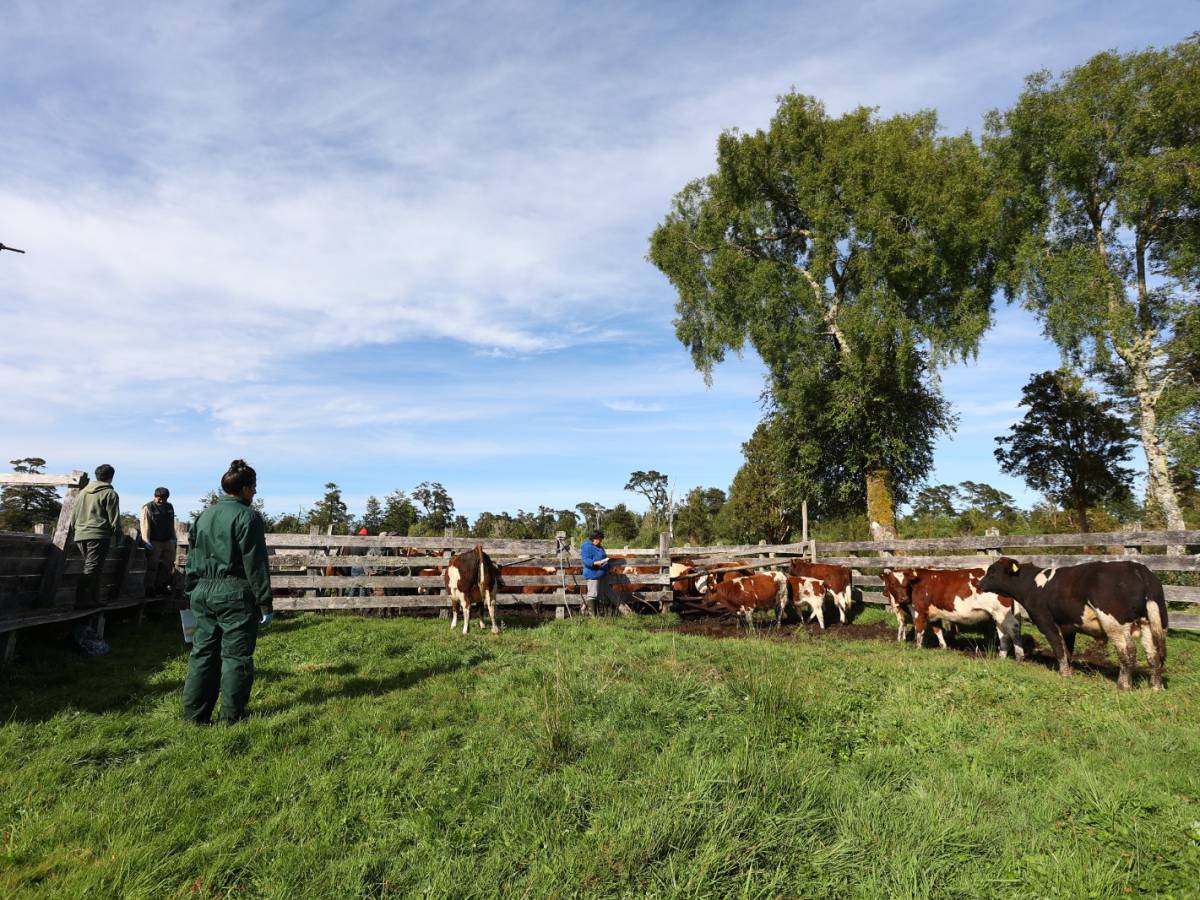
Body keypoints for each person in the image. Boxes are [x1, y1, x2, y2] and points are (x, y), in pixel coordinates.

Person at [182, 460, 273, 725]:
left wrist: (191, 589)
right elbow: (255, 564)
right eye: (253, 487)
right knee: (236, 656)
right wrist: (265, 603)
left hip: (202, 591)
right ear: (244, 488)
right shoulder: (248, 517)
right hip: (234, 591)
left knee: (203, 653)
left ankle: (194, 717)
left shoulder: (203, 516)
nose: (255, 492)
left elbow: (192, 556)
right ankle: (231, 718)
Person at [70, 463, 122, 609]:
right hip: (98, 534)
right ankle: (81, 601)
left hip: (80, 534)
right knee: (92, 568)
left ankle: (93, 599)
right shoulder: (110, 493)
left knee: (93, 567)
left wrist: (76, 530)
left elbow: (73, 515)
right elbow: (115, 519)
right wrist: (118, 535)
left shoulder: (83, 492)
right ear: (111, 477)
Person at [139, 487, 176, 596]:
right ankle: (149, 588)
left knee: (168, 564)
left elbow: (171, 523)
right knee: (152, 565)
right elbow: (144, 525)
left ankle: (161, 586)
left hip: (168, 540)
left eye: (162, 499)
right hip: (154, 541)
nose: (160, 500)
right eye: (158, 498)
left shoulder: (169, 507)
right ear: (155, 496)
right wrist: (146, 540)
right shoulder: (148, 507)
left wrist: (173, 538)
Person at [580, 529, 612, 616]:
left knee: (600, 594)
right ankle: (592, 617)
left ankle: (599, 614)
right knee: (592, 594)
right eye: (599, 539)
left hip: (601, 573)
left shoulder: (599, 546)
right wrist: (595, 563)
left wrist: (606, 562)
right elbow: (585, 560)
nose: (600, 541)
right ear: (594, 538)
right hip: (592, 573)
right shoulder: (586, 546)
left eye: (601, 539)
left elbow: (603, 556)